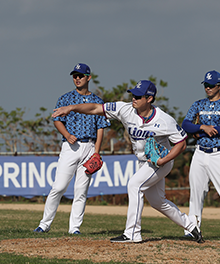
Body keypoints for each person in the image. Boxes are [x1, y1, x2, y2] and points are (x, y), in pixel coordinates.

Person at [52, 80, 204, 243]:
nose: (134, 98)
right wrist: (71, 107)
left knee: (134, 185)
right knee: (158, 202)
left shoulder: (164, 120)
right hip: (144, 162)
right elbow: (96, 108)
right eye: (133, 94)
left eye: (138, 96)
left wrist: (163, 160)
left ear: (149, 99)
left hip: (160, 163)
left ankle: (132, 233)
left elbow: (181, 143)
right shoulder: (125, 109)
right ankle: (190, 225)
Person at [33, 63, 110, 235]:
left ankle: (74, 228)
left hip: (89, 146)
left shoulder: (97, 101)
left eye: (80, 75)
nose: (77, 78)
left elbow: (101, 127)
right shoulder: (66, 98)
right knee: (59, 187)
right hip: (70, 147)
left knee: (81, 191)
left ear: (88, 78)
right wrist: (67, 135)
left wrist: (96, 151)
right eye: (75, 75)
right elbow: (56, 119)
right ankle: (44, 224)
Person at [181, 70, 220, 240]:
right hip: (200, 153)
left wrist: (199, 133)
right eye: (206, 85)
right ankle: (192, 228)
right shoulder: (198, 104)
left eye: (211, 85)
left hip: (219, 154)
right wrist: (203, 128)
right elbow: (186, 124)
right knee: (196, 192)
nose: (208, 88)